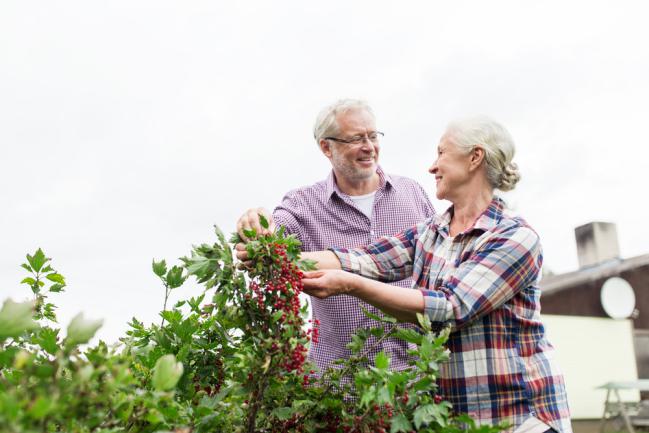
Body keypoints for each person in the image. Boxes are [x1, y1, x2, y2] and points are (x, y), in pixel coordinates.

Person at [299, 116, 572, 433]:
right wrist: (276, 255)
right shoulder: (432, 231)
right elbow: (364, 259)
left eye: (441, 153)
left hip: (521, 420)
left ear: (474, 157)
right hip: (460, 421)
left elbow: (448, 308)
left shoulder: (513, 237)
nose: (432, 167)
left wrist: (351, 285)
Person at [235, 99, 435, 375]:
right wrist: (256, 224)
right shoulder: (303, 204)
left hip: (416, 378)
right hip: (339, 386)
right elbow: (273, 236)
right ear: (326, 147)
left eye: (373, 136)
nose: (369, 147)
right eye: (356, 138)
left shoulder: (411, 193)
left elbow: (439, 264)